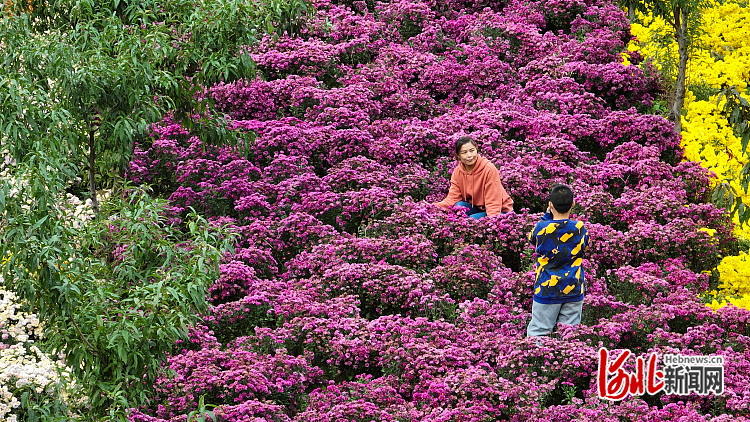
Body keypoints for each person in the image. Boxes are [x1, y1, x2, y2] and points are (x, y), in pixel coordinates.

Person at [526, 185, 589, 337]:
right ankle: (569, 360)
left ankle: (536, 359)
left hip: (546, 289)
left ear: (550, 205)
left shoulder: (542, 227)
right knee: (570, 333)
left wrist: (546, 216)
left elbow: (531, 238)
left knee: (539, 331)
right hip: (573, 287)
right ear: (573, 203)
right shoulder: (580, 228)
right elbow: (584, 248)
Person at [434, 136, 513, 218]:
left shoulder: (488, 169)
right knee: (459, 207)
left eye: (472, 151)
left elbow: (493, 201)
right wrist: (434, 207)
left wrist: (493, 222)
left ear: (476, 150)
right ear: (458, 156)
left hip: (500, 211)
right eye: (464, 152)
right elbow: (452, 198)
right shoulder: (458, 172)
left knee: (471, 220)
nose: (469, 155)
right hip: (479, 208)